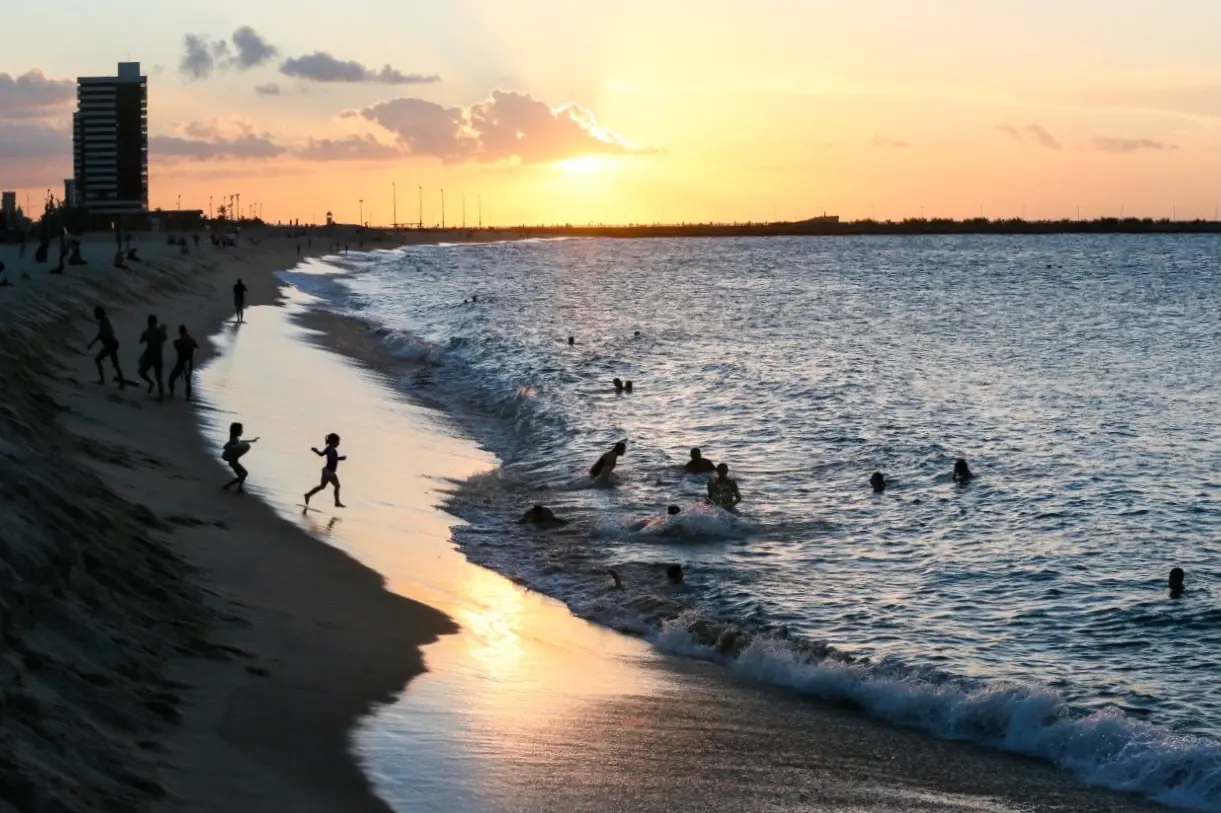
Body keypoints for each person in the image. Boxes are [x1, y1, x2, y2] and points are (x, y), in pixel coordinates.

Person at [304, 433, 347, 508]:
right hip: (329, 472)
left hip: (326, 470)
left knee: (322, 486)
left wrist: (316, 450)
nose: (338, 443)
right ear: (333, 442)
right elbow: (331, 459)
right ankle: (337, 502)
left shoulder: (329, 448)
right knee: (337, 486)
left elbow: (321, 454)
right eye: (337, 442)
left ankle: (308, 495)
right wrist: (340, 458)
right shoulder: (331, 450)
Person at [88, 306, 125, 389]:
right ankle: (104, 380)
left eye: (96, 314)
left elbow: (103, 334)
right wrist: (92, 344)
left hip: (111, 345)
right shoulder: (103, 321)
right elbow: (101, 335)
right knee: (100, 360)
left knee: (113, 363)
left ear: (99, 314)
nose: (95, 315)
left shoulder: (104, 321)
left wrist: (91, 344)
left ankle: (120, 383)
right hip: (110, 345)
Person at [137, 315, 168, 400]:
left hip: (150, 357)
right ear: (156, 323)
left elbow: (141, 341)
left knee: (141, 372)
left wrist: (145, 337)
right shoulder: (159, 332)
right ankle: (160, 396)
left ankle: (151, 383)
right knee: (159, 378)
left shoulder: (146, 332)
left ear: (148, 322)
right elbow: (165, 338)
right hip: (157, 357)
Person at [221, 422, 258, 492]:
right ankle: (232, 487)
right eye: (241, 430)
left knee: (242, 475)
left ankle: (237, 488)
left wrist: (252, 440)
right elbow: (230, 446)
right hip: (233, 462)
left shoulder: (236, 439)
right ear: (237, 431)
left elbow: (241, 442)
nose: (242, 431)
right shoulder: (233, 439)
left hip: (233, 462)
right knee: (244, 474)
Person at [168, 325, 199, 400]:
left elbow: (176, 345)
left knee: (171, 379)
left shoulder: (179, 341)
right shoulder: (192, 340)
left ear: (180, 332)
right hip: (189, 363)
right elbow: (197, 346)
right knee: (188, 381)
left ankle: (172, 394)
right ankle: (188, 397)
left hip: (181, 363)